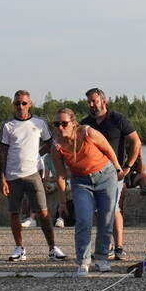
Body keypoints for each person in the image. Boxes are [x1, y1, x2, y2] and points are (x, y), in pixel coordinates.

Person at [50, 108, 123, 275]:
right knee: (83, 219)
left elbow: (108, 149)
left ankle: (102, 258)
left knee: (106, 219)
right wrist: (62, 202)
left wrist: (118, 168)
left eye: (64, 123)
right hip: (81, 182)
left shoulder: (88, 132)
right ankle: (83, 261)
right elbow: (60, 175)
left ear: (73, 123)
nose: (60, 127)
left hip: (105, 177)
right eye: (56, 124)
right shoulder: (56, 146)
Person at [0, 90, 66, 261]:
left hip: (33, 175)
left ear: (30, 104)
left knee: (43, 212)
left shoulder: (39, 122)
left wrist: (38, 154)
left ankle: (52, 248)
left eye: (24, 103)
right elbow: (2, 153)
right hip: (13, 176)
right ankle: (19, 248)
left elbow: (51, 144)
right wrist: (2, 179)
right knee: (14, 213)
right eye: (17, 103)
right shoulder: (8, 125)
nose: (20, 106)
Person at [82, 89, 141, 261]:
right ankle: (106, 246)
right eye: (89, 102)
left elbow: (136, 141)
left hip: (114, 173)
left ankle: (119, 247)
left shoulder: (117, 119)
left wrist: (128, 167)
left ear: (103, 101)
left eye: (94, 101)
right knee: (100, 210)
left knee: (113, 208)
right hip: (92, 173)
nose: (91, 105)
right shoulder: (86, 124)